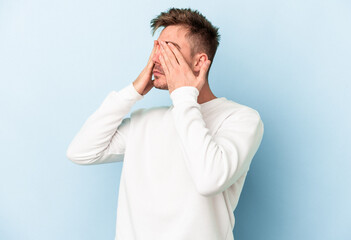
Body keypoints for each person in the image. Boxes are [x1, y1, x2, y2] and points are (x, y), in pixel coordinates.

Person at [66, 7, 264, 240]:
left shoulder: (242, 119)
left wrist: (184, 95)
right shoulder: (146, 121)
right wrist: (132, 92)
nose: (157, 58)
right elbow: (80, 151)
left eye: (170, 50)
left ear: (200, 62)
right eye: (157, 48)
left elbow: (209, 179)